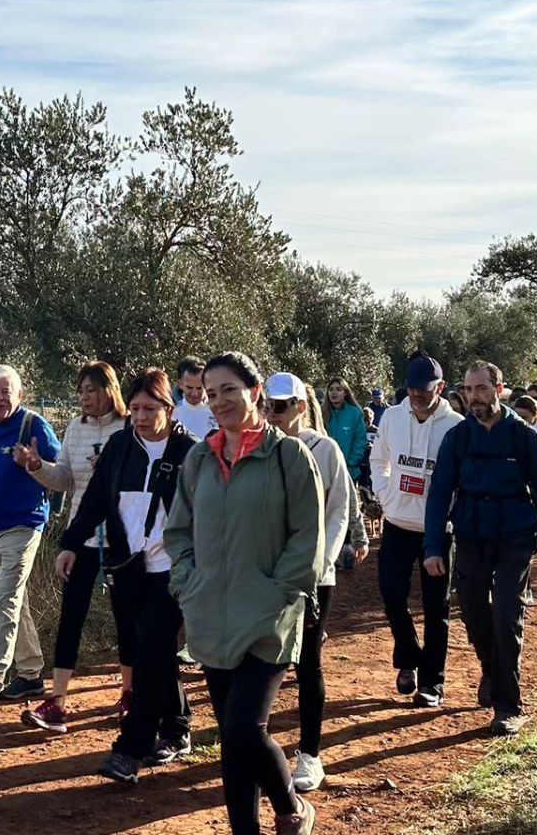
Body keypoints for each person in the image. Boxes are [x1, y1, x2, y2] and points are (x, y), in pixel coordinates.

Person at [166, 352, 325, 835]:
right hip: (211, 616)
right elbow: (179, 532)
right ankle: (267, 822)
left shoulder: (289, 457)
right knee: (234, 744)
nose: (219, 402)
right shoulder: (199, 459)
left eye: (229, 390)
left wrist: (281, 592)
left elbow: (307, 537)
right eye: (211, 394)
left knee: (242, 728)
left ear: (255, 392)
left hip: (269, 619)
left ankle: (291, 808)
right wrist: (188, 585)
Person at [424, 363, 537, 737]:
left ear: (499, 389)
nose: (474, 397)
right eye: (469, 390)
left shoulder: (524, 438)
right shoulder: (457, 438)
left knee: (506, 616)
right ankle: (491, 667)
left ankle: (508, 705)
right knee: (473, 611)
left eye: (482, 389)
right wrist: (434, 546)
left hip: (515, 537)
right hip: (470, 536)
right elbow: (439, 494)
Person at [75, 368, 198, 782]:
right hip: (128, 567)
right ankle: (178, 729)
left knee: (150, 644)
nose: (141, 417)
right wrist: (71, 545)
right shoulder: (119, 447)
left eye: (150, 408)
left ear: (169, 407)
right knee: (153, 648)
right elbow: (94, 500)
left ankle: (131, 748)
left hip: (173, 571)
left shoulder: (190, 453)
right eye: (136, 409)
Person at [264, 372, 368, 793]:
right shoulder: (259, 448)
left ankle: (310, 755)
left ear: (301, 407)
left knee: (307, 664)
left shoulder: (325, 451)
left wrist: (319, 564)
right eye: (267, 404)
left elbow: (341, 508)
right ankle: (256, 748)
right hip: (265, 574)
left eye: (282, 405)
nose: (273, 412)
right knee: (261, 663)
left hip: (312, 576)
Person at [22, 362, 132, 733]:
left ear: (109, 390)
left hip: (123, 537)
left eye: (91, 390)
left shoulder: (130, 426)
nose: (84, 397)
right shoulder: (75, 428)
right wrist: (38, 467)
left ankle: (129, 696)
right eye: (81, 390)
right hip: (81, 535)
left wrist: (114, 467)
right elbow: (66, 479)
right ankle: (57, 702)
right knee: (71, 616)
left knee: (126, 620)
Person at [0, 364, 62, 710]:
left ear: (20, 394)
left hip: (24, 523)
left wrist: (33, 463)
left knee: (4, 599)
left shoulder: (33, 425)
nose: (0, 398)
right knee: (12, 599)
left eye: (7, 391)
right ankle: (32, 674)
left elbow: (61, 469)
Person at [369, 351, 463, 707]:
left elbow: (462, 476)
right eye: (411, 388)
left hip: (437, 530)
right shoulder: (392, 418)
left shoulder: (455, 425)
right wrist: (385, 491)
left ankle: (432, 683)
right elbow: (379, 459)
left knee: (435, 607)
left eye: (424, 389)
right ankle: (408, 657)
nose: (417, 395)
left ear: (439, 387)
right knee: (392, 596)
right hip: (396, 523)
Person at [322, 378, 369, 488]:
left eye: (338, 389)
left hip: (349, 471)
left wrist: (350, 462)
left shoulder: (355, 413)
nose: (334, 392)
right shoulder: (321, 413)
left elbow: (360, 441)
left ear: (345, 393)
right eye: (331, 389)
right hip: (325, 470)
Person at [175, 358, 217, 440]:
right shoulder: (172, 414)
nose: (195, 393)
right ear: (180, 384)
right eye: (189, 388)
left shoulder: (218, 412)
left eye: (199, 388)